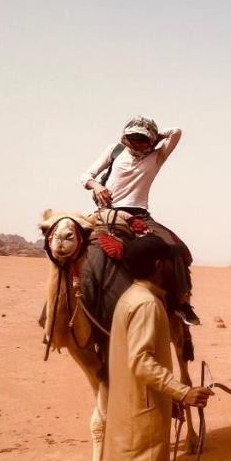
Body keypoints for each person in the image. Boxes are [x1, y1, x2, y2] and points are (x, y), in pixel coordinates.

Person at [82, 236, 213, 461]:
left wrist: (168, 397)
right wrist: (182, 391)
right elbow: (141, 360)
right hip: (140, 419)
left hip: (133, 410)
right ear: (159, 266)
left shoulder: (131, 299)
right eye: (172, 263)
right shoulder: (146, 305)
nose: (175, 270)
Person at [80, 116, 200, 325]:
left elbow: (177, 131)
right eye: (133, 137)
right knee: (69, 243)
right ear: (125, 137)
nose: (136, 142)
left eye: (141, 138)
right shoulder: (114, 150)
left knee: (175, 248)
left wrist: (156, 138)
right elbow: (86, 176)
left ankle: (181, 303)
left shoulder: (157, 156)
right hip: (106, 211)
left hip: (139, 214)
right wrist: (97, 187)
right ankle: (56, 313)